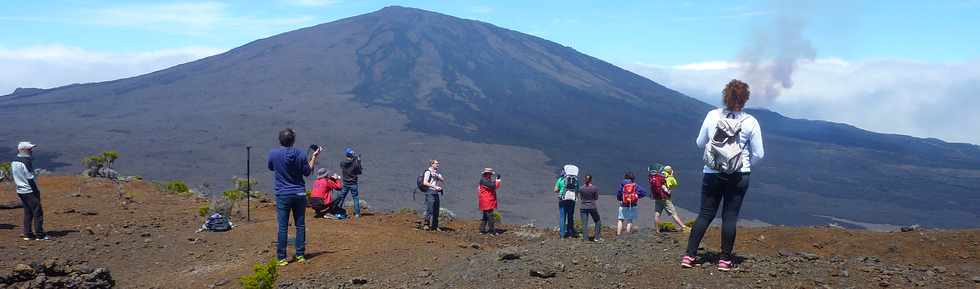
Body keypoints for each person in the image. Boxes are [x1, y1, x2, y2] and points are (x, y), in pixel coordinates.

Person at [682, 79, 764, 272]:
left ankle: (689, 255)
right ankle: (725, 260)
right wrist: (745, 164)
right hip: (739, 174)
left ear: (725, 95)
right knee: (730, 216)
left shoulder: (712, 115)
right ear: (745, 99)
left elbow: (700, 143)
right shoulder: (750, 122)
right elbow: (759, 153)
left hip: (713, 173)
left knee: (705, 214)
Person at [268, 128, 321, 266]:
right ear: (293, 140)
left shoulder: (273, 153)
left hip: (282, 194)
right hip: (299, 194)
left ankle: (281, 258)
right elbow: (308, 172)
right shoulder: (301, 154)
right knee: (300, 225)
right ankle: (300, 255)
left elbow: (271, 167)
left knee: (283, 227)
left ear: (280, 140)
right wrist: (314, 157)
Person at [11, 142, 46, 241]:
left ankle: (28, 234)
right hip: (29, 190)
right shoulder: (25, 162)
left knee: (28, 212)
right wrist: (36, 192)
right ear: (23, 150)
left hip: (20, 190)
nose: (31, 151)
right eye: (29, 149)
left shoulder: (14, 161)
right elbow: (30, 178)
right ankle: (40, 235)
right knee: (37, 212)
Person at [650, 165, 689, 232]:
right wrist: (668, 190)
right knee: (673, 213)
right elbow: (672, 184)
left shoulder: (653, 177)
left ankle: (657, 230)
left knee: (657, 214)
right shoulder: (664, 178)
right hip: (665, 198)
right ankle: (683, 227)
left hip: (657, 197)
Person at [335, 147, 363, 218]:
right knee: (355, 198)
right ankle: (357, 214)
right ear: (352, 155)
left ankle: (338, 210)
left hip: (345, 183)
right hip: (353, 184)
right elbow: (360, 172)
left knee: (342, 197)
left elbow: (346, 164)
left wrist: (354, 160)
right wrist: (358, 161)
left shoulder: (342, 163)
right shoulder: (355, 164)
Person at [554, 165, 579, 238]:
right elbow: (577, 190)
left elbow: (555, 190)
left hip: (563, 199)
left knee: (562, 217)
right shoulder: (576, 180)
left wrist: (560, 190)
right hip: (571, 200)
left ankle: (562, 235)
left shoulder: (560, 179)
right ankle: (570, 234)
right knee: (570, 216)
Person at [421, 160, 445, 231]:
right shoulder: (428, 172)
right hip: (429, 191)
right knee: (430, 208)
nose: (438, 165)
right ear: (432, 164)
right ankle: (426, 224)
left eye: (438, 164)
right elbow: (425, 182)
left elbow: (442, 180)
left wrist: (437, 175)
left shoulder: (437, 173)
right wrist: (434, 186)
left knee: (436, 209)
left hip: (436, 192)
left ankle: (435, 226)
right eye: (436, 164)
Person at [477, 168, 501, 235]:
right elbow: (494, 186)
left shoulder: (485, 180)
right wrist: (498, 180)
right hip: (487, 201)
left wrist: (496, 180)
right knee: (490, 216)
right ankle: (491, 231)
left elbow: (492, 185)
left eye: (491, 174)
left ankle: (482, 230)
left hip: (485, 201)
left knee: (485, 216)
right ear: (486, 174)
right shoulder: (484, 180)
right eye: (490, 174)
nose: (490, 175)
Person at [577, 175, 601, 242]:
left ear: (584, 180)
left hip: (583, 207)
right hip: (592, 206)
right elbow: (596, 198)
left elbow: (581, 198)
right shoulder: (594, 188)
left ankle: (585, 239)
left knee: (584, 223)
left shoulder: (581, 188)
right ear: (591, 180)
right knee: (597, 221)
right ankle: (597, 238)